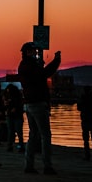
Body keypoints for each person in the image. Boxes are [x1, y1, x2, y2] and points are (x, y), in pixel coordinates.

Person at [18, 43, 62, 175]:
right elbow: (44, 74)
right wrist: (56, 61)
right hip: (37, 103)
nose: (35, 53)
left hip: (29, 103)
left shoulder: (24, 65)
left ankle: (29, 165)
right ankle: (47, 166)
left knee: (33, 134)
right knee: (45, 135)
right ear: (28, 52)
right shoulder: (30, 65)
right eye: (33, 51)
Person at [3, 83, 25, 153]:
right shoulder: (17, 98)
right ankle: (19, 146)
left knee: (12, 132)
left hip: (14, 116)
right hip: (14, 116)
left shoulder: (16, 98)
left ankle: (11, 146)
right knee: (17, 132)